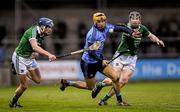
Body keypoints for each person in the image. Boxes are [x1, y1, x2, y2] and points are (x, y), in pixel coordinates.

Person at [59, 12, 140, 105]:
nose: (102, 23)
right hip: (88, 63)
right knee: (90, 87)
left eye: (103, 21)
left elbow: (120, 28)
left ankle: (119, 101)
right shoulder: (92, 35)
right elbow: (91, 53)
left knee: (116, 77)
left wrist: (131, 32)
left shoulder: (106, 27)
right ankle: (67, 83)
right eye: (99, 21)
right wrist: (101, 61)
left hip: (98, 59)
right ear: (95, 22)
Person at [91, 11, 165, 106]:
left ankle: (104, 97)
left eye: (136, 19)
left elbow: (151, 36)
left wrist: (158, 40)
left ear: (140, 20)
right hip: (120, 56)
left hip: (132, 58)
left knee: (124, 80)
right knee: (116, 78)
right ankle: (101, 86)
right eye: (132, 19)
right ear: (129, 20)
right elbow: (129, 34)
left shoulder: (143, 28)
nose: (134, 21)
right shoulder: (126, 29)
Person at [9, 17, 57, 108]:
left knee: (38, 80)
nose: (50, 29)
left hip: (30, 58)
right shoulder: (33, 32)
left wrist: (35, 53)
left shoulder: (42, 35)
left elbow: (34, 49)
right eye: (49, 27)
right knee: (24, 86)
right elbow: (35, 47)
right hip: (20, 58)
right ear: (42, 27)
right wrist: (49, 55)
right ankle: (13, 102)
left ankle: (23, 71)